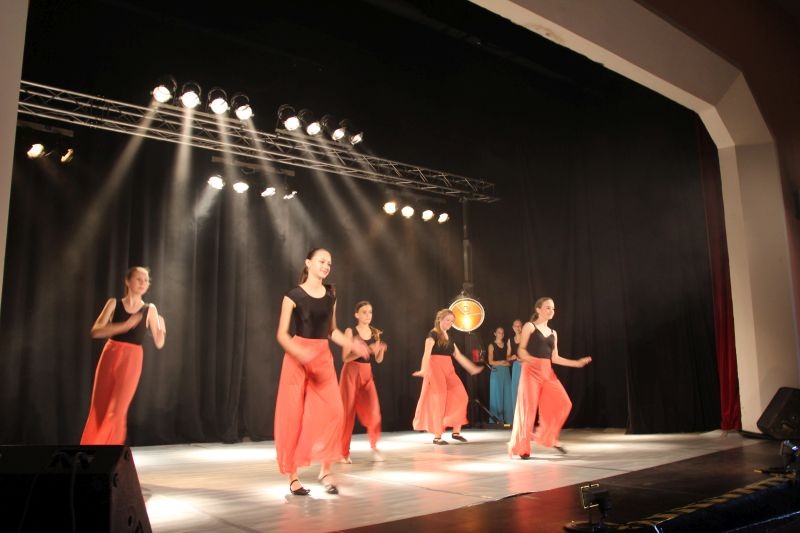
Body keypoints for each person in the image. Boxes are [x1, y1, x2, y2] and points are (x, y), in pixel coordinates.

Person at [274, 248, 369, 496]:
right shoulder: (293, 296)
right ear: (308, 263)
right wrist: (299, 352)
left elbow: (331, 331)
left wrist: (352, 344)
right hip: (297, 357)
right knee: (293, 416)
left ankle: (325, 471)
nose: (326, 266)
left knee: (335, 412)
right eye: (322, 261)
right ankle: (293, 476)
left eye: (329, 263)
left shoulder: (330, 297)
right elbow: (282, 334)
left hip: (322, 358)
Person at [80, 266, 166, 445]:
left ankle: (112, 451)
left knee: (118, 410)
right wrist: (125, 326)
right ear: (127, 281)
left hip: (132, 359)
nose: (143, 283)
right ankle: (91, 450)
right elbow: (96, 331)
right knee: (99, 407)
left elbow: (159, 343)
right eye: (139, 279)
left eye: (146, 280)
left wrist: (162, 329)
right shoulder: (114, 303)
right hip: (110, 354)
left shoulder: (149, 309)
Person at [508, 297, 591, 460]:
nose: (551, 311)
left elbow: (555, 358)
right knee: (528, 410)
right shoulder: (529, 326)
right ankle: (522, 448)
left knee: (564, 403)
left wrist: (577, 363)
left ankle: (547, 437)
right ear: (538, 309)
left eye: (553, 308)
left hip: (547, 373)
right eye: (547, 307)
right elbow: (521, 350)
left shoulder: (554, 333)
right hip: (531, 372)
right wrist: (530, 360)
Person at [412, 308, 484, 444]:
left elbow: (458, 355)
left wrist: (471, 368)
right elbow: (426, 353)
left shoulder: (449, 336)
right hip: (435, 368)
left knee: (462, 396)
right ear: (439, 319)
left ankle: (456, 432)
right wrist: (423, 370)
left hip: (448, 369)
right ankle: (437, 436)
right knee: (439, 399)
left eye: (451, 321)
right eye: (447, 320)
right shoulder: (433, 334)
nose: (449, 323)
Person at [339, 301, 388, 463]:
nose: (368, 315)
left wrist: (380, 350)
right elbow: (345, 358)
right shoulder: (350, 331)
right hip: (351, 373)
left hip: (367, 373)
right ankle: (343, 452)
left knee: (374, 411)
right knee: (347, 413)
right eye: (364, 312)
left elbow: (378, 360)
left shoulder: (375, 333)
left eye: (370, 312)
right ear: (357, 315)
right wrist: (365, 350)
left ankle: (374, 446)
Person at [487, 326, 513, 424]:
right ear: (495, 333)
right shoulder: (491, 345)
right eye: (499, 332)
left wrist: (507, 363)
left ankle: (508, 420)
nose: (501, 334)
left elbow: (509, 361)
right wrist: (502, 362)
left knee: (507, 395)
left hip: (506, 372)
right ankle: (497, 421)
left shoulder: (506, 345)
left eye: (502, 333)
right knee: (496, 395)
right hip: (496, 372)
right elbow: (490, 362)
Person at [508, 319, 523, 417]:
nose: (518, 328)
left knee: (525, 392)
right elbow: (507, 357)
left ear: (522, 327)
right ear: (513, 327)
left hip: (526, 367)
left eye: (519, 326)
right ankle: (517, 418)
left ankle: (526, 418)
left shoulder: (526, 338)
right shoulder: (510, 340)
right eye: (516, 326)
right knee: (515, 392)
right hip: (516, 367)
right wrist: (511, 357)